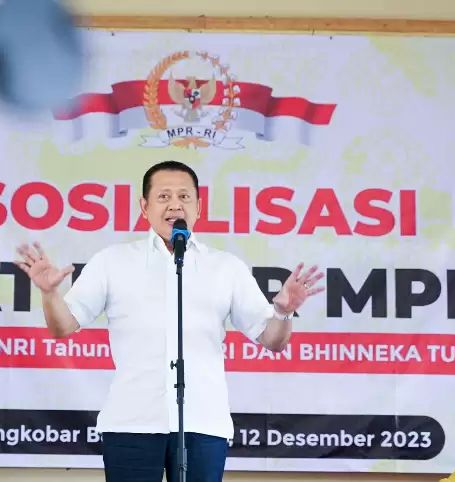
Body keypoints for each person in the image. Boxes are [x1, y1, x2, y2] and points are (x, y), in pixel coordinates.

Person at [16, 160, 325, 482]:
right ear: (144, 207)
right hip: (132, 421)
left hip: (203, 423)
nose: (175, 205)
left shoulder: (226, 267)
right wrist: (49, 293)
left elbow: (272, 340)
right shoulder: (112, 262)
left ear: (199, 207)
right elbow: (63, 326)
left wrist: (283, 312)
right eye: (163, 196)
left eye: (184, 197)